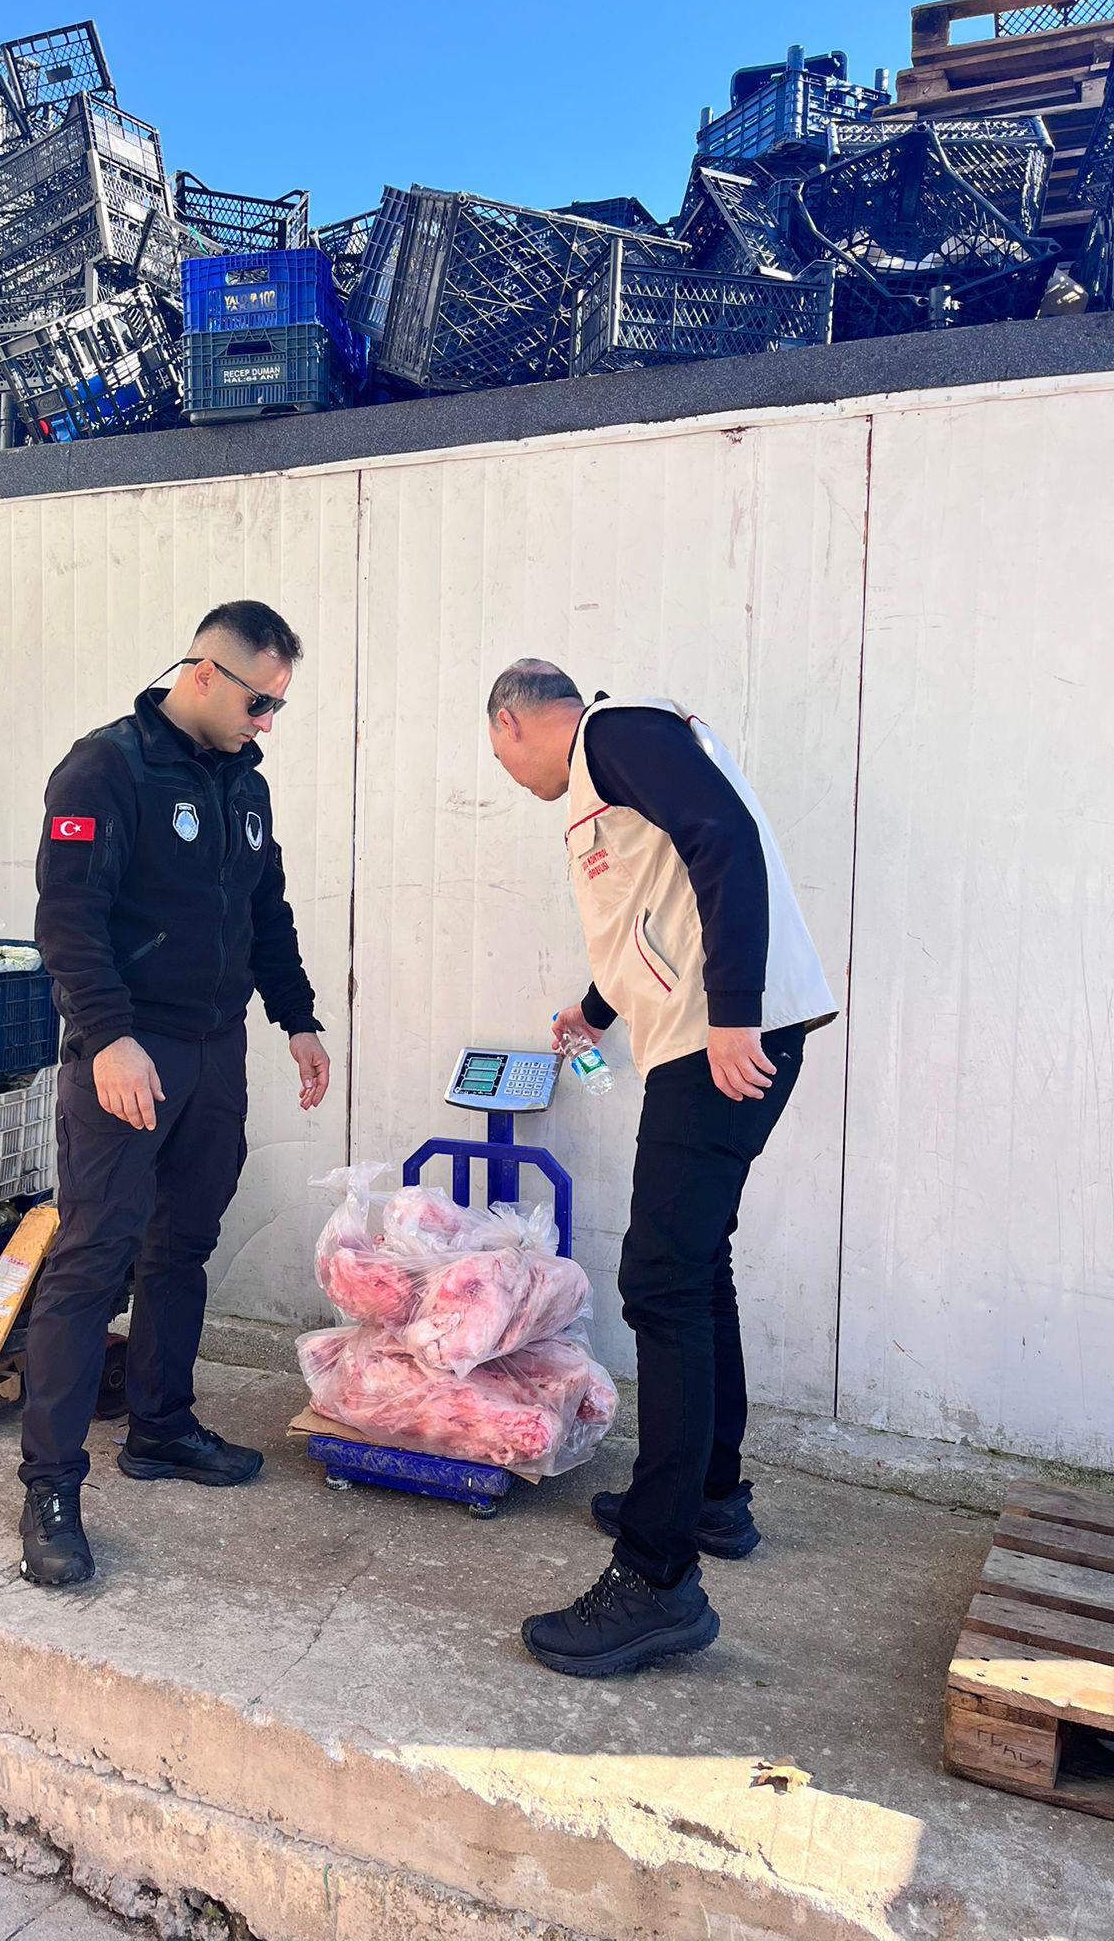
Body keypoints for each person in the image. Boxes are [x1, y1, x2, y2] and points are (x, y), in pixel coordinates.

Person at [487, 660, 836, 1678]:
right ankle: (711, 1496)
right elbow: (657, 900)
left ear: (511, 724)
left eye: (502, 758)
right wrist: (594, 1010)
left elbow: (722, 837)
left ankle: (656, 1578)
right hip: (710, 1032)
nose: (513, 776)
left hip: (719, 1041)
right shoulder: (611, 772)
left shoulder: (614, 731)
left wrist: (733, 1012)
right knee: (695, 1267)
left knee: (661, 1281)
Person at [18, 601, 331, 1586]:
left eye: (278, 705)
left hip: (212, 1051)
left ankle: (159, 1426)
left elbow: (266, 908)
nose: (267, 721)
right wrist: (108, 1038)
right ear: (203, 673)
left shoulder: (244, 780)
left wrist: (298, 1017)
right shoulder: (104, 768)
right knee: (92, 1257)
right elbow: (68, 917)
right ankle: (50, 1486)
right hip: (128, 1051)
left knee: (182, 1243)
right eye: (258, 701)